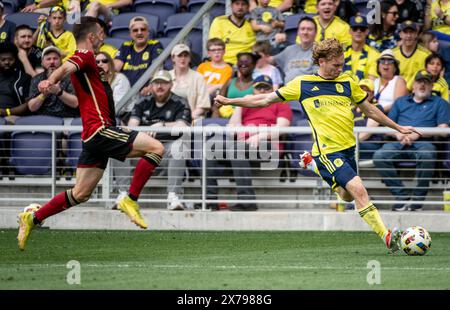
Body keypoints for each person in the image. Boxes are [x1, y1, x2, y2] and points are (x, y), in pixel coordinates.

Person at [215, 38, 422, 252]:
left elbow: (369, 110)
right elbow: (264, 100)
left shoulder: (347, 82)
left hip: (348, 149)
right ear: (321, 61)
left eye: (342, 64)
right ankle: (387, 236)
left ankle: (313, 165)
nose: (339, 69)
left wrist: (397, 127)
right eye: (336, 65)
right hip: (328, 151)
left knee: (347, 195)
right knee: (359, 190)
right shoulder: (302, 84)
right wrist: (230, 102)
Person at [17, 16, 165, 251]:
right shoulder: (84, 55)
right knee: (157, 148)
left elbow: (80, 98)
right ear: (92, 36)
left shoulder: (89, 65)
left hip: (93, 135)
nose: (104, 38)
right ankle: (130, 199)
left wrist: (55, 87)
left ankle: (32, 218)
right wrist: (50, 80)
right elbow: (65, 67)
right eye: (101, 34)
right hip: (100, 130)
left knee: (80, 193)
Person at [207, 75, 292, 211]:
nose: (263, 91)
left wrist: (260, 136)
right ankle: (209, 201)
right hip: (243, 144)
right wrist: (241, 105)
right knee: (211, 146)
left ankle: (247, 201)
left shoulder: (281, 103)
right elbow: (231, 128)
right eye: (259, 88)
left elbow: (281, 128)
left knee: (237, 148)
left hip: (268, 146)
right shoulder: (247, 103)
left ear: (272, 89)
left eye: (266, 88)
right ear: (254, 90)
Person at [373, 70, 450, 211]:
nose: (422, 85)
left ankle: (417, 201)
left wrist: (418, 133)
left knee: (427, 155)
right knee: (379, 156)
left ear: (432, 86)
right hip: (399, 141)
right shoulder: (401, 102)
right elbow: (386, 127)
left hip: (424, 143)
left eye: (426, 82)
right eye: (419, 82)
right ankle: (401, 197)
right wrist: (398, 134)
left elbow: (444, 130)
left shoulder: (440, 103)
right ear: (413, 85)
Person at [126, 70, 192, 210]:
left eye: (164, 83)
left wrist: (161, 125)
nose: (160, 86)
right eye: (156, 83)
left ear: (171, 85)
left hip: (166, 150)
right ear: (151, 85)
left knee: (179, 147)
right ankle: (123, 194)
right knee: (118, 147)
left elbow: (182, 126)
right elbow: (132, 127)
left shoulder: (180, 102)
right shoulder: (142, 101)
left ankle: (173, 196)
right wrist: (146, 132)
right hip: (143, 149)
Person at [27, 46, 79, 119]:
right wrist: (43, 95)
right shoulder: (37, 79)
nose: (52, 62)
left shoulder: (70, 77)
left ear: (61, 61)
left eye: (55, 58)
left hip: (67, 119)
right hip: (43, 120)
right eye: (48, 59)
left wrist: (58, 92)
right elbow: (32, 107)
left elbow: (75, 103)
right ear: (42, 63)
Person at [114, 16, 163, 86]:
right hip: (125, 90)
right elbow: (115, 69)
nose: (139, 33)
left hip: (146, 91)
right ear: (130, 34)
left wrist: (151, 86)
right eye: (135, 30)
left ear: (148, 32)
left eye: (143, 29)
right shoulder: (125, 46)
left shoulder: (155, 45)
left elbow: (157, 70)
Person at [269, 16, 318, 83]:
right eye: (302, 29)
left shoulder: (320, 52)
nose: (305, 32)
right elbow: (269, 61)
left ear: (316, 33)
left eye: (309, 29)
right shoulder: (289, 50)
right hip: (286, 91)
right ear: (298, 32)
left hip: (308, 91)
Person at [169, 44, 210, 121]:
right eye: (179, 56)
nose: (183, 59)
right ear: (173, 58)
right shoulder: (166, 76)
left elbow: (203, 106)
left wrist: (186, 117)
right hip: (167, 118)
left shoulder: (199, 78)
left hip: (191, 119)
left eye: (186, 56)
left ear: (189, 58)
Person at [208, 0, 256, 65]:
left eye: (243, 4)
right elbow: (214, 46)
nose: (240, 7)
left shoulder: (252, 25)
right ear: (231, 6)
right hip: (224, 64)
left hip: (245, 65)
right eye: (237, 4)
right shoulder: (219, 21)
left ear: (248, 7)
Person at [213, 52, 257, 118]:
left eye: (246, 61)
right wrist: (216, 112)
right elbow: (218, 102)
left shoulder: (257, 85)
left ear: (254, 65)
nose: (243, 64)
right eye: (240, 61)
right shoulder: (230, 82)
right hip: (226, 118)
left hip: (248, 119)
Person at [393, 20, 431, 89]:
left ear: (416, 34)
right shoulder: (393, 54)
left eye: (411, 32)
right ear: (400, 34)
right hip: (396, 91)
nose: (408, 35)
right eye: (405, 32)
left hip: (418, 91)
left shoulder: (426, 55)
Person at [0, 42, 31, 121]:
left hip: (14, 117)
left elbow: (28, 104)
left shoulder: (24, 78)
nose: (7, 62)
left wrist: (7, 112)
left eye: (10, 59)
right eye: (3, 60)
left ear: (16, 60)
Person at [343, 16, 380, 81]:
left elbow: (371, 80)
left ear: (367, 31)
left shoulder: (375, 54)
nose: (358, 31)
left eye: (362, 29)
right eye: (355, 28)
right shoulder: (342, 53)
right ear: (350, 31)